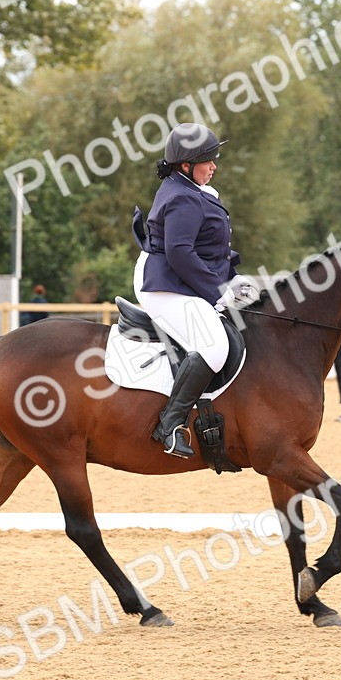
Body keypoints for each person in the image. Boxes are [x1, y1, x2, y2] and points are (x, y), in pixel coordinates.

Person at [134, 122, 257, 458]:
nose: (214, 165)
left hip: (181, 277)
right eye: (208, 160)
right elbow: (180, 252)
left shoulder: (192, 190)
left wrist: (231, 276)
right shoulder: (181, 198)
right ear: (186, 164)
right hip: (164, 284)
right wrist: (218, 290)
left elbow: (207, 248)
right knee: (214, 345)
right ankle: (169, 425)